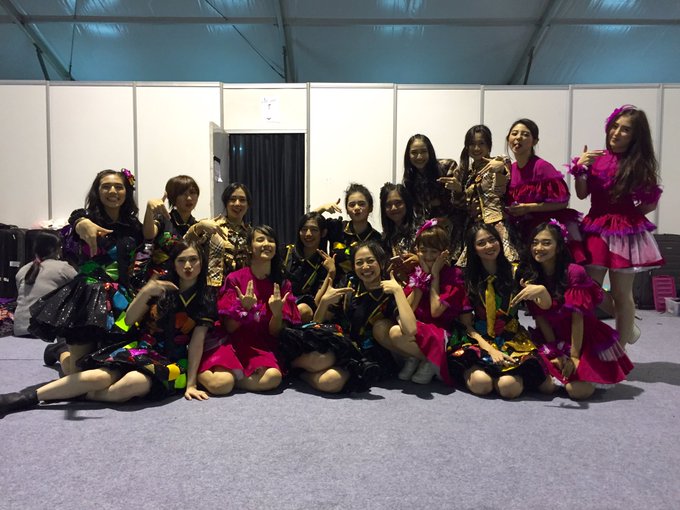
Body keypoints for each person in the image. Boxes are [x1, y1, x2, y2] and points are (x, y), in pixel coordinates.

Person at [0, 241, 214, 417]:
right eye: (181, 260)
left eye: (193, 259)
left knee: (131, 384)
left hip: (174, 360)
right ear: (174, 263)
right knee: (98, 378)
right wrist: (146, 293)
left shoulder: (206, 297)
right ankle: (25, 397)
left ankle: (73, 385)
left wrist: (191, 384)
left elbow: (197, 343)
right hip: (142, 348)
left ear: (202, 262)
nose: (188, 265)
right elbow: (129, 320)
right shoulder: (160, 286)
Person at [29, 169, 143, 375]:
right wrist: (81, 223)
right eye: (106, 186)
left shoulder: (134, 226)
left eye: (119, 187)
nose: (113, 191)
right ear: (97, 192)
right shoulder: (87, 219)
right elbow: (76, 219)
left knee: (114, 362)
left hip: (122, 296)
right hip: (89, 294)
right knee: (76, 372)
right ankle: (59, 350)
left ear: (127, 192)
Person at [570, 105, 664, 346]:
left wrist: (628, 217)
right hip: (595, 227)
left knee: (622, 293)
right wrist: (580, 169)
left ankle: (620, 349)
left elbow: (650, 202)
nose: (616, 132)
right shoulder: (596, 158)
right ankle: (616, 331)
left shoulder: (638, 164)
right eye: (614, 126)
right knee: (588, 286)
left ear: (635, 136)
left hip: (624, 231)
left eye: (625, 129)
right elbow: (581, 194)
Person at [512, 221, 633, 400]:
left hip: (582, 337)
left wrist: (575, 356)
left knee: (577, 392)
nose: (538, 248)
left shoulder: (574, 272)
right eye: (535, 243)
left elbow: (578, 318)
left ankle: (580, 374)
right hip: (553, 335)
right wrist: (556, 351)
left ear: (559, 247)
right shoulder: (530, 276)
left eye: (546, 243)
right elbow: (540, 318)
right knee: (546, 386)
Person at [448, 223, 549, 398]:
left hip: (511, 337)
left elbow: (544, 306)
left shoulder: (517, 271)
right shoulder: (466, 278)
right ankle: (485, 373)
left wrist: (542, 291)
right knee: (481, 384)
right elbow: (467, 326)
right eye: (481, 243)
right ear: (473, 249)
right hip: (478, 337)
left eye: (492, 240)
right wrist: (490, 350)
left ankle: (501, 376)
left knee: (509, 388)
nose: (489, 246)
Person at [207, 225, 300, 392]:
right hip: (233, 342)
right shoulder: (235, 279)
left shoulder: (283, 284)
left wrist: (277, 313)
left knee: (273, 378)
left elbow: (275, 333)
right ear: (250, 248)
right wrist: (244, 309)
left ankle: (236, 380)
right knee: (219, 385)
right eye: (260, 240)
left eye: (271, 240)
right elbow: (230, 328)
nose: (266, 244)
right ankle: (222, 378)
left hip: (263, 344)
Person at [313, 240, 412, 384]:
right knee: (318, 360)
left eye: (370, 261)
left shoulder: (390, 289)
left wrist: (398, 291)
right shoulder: (349, 283)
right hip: (344, 344)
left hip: (374, 354)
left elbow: (410, 329)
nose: (365, 267)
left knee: (330, 381)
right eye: (359, 263)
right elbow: (317, 324)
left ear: (381, 263)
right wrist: (324, 303)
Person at [385, 221, 467, 386]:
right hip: (418, 327)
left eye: (434, 251)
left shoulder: (454, 275)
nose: (428, 256)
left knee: (396, 332)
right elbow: (408, 310)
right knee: (394, 329)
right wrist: (422, 277)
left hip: (441, 332)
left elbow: (436, 311)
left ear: (444, 252)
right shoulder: (417, 272)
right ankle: (419, 357)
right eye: (424, 251)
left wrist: (435, 275)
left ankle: (433, 360)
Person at [504, 119, 585, 263]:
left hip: (545, 231)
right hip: (521, 231)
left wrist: (529, 208)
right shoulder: (510, 169)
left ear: (534, 141)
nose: (518, 138)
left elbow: (562, 202)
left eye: (525, 134)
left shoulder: (542, 167)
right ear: (508, 139)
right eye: (514, 133)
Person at [443, 125, 518, 263]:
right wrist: (458, 190)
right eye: (472, 144)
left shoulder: (499, 162)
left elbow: (502, 188)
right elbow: (461, 207)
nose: (476, 148)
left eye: (481, 143)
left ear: (489, 145)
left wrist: (500, 169)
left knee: (505, 263)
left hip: (496, 224)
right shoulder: (465, 171)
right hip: (473, 228)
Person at [14, 232, 78, 372]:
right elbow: (82, 291)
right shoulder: (64, 268)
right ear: (57, 249)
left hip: (20, 329)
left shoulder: (22, 270)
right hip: (48, 332)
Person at [184, 182, 250, 289]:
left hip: (242, 289)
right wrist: (199, 226)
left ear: (248, 205)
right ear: (226, 203)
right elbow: (185, 243)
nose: (237, 204)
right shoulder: (212, 226)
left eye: (242, 200)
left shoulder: (251, 233)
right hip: (213, 289)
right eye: (232, 199)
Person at [317, 183, 381, 279]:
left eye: (361, 204)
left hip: (365, 286)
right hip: (335, 284)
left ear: (370, 208)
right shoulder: (337, 227)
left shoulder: (377, 239)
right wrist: (322, 208)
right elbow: (307, 224)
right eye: (352, 205)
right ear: (347, 210)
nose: (356, 208)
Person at [283, 212, 336, 322]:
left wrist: (331, 272)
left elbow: (317, 301)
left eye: (314, 230)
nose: (308, 234)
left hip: (303, 307)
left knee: (304, 310)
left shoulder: (324, 263)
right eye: (304, 229)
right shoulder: (286, 252)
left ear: (323, 233)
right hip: (279, 300)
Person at [379, 182, 419, 283]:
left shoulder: (422, 230)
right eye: (388, 205)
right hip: (397, 289)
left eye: (398, 203)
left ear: (407, 204)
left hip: (423, 287)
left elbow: (442, 261)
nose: (393, 208)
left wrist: (419, 261)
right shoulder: (385, 238)